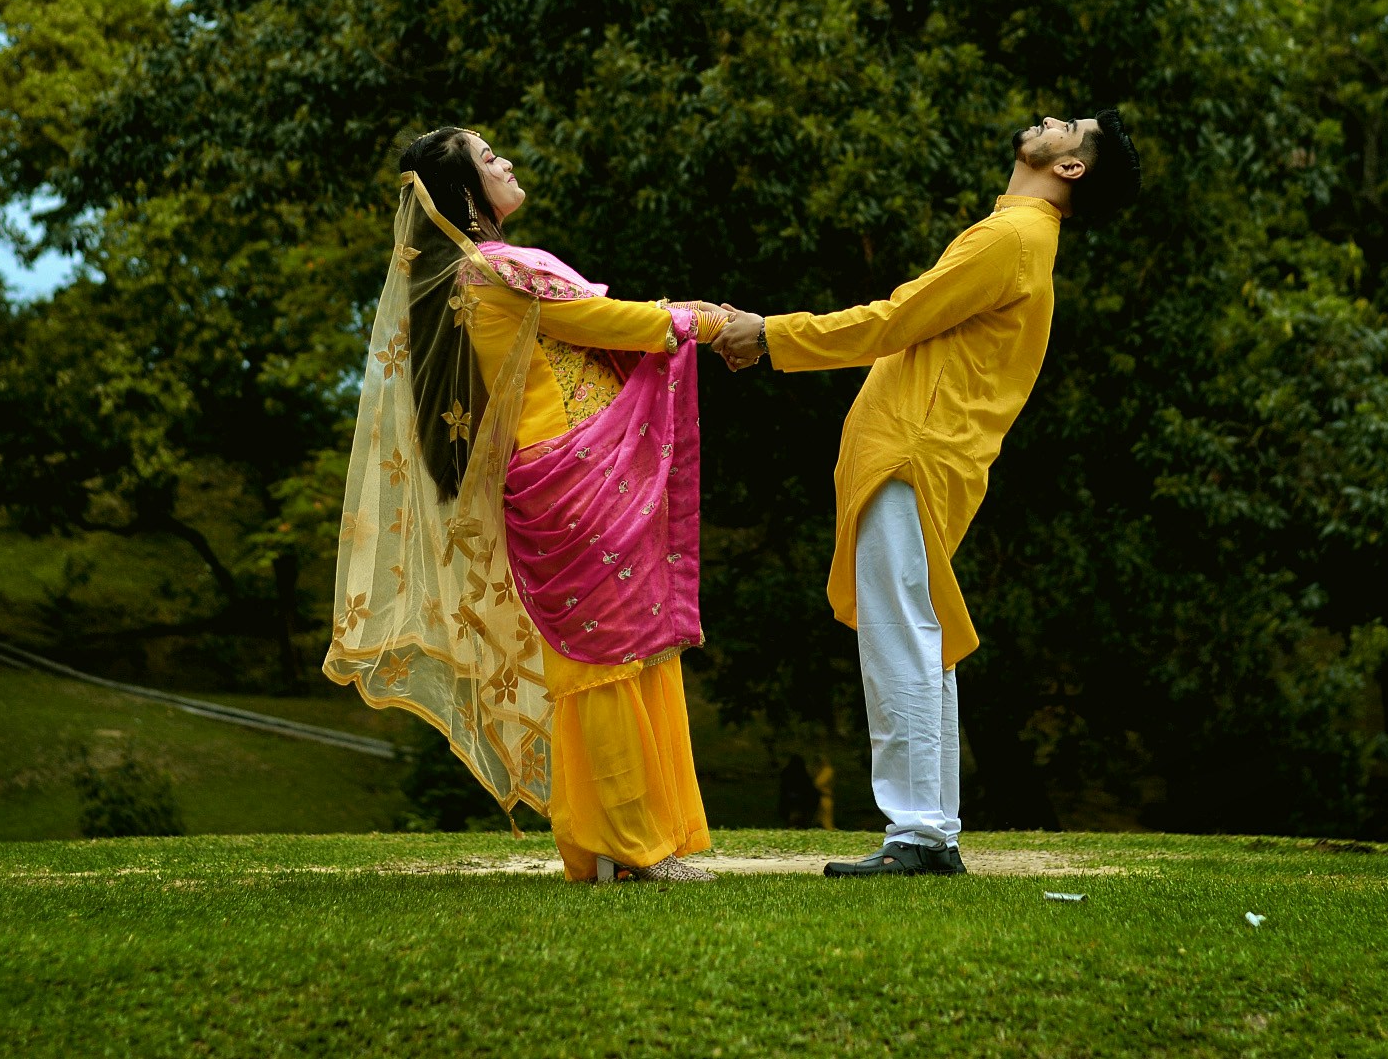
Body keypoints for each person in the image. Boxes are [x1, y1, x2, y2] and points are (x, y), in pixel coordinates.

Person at [715, 110, 1139, 878]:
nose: (1049, 119)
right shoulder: (1018, 236)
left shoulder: (1012, 239)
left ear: (1071, 167)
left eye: (1069, 126)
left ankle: (917, 835)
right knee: (921, 639)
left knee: (902, 637)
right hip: (924, 455)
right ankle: (930, 830)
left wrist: (773, 336)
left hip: (914, 452)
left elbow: (896, 319)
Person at [326, 126, 738, 884]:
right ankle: (635, 844)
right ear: (462, 193)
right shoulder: (501, 268)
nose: (505, 162)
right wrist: (706, 322)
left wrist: (682, 313)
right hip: (579, 476)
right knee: (609, 662)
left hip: (564, 478)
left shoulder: (469, 276)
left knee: (609, 658)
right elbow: (605, 323)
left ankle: (623, 843)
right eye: (488, 159)